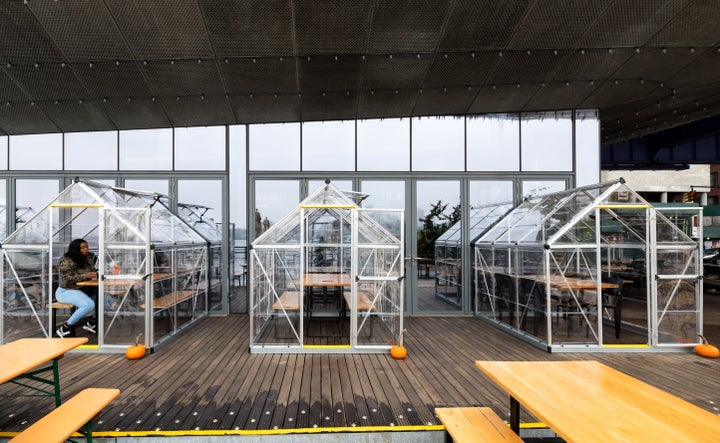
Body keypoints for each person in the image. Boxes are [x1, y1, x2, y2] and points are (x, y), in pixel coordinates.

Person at [55, 239, 98, 338]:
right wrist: (85, 276)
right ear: (75, 249)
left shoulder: (88, 258)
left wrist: (95, 274)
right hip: (66, 291)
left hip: (83, 290)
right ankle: (65, 327)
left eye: (87, 247)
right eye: (83, 247)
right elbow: (66, 280)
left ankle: (92, 323)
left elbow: (92, 272)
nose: (86, 249)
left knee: (105, 299)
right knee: (88, 305)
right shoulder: (66, 260)